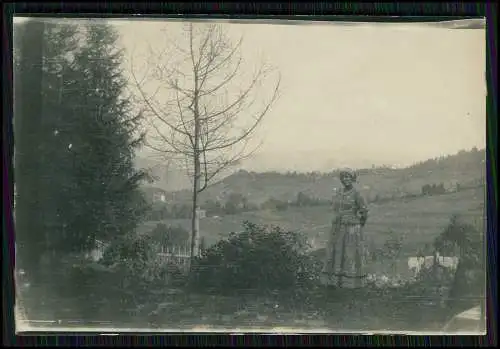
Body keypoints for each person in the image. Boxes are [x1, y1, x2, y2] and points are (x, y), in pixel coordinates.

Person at [322, 168, 369, 289]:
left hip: (352, 228)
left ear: (352, 178)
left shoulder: (357, 193)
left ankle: (352, 283)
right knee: (337, 252)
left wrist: (359, 224)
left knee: (350, 254)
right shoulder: (339, 192)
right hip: (338, 227)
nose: (345, 179)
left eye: (348, 177)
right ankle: (337, 281)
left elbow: (364, 210)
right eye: (343, 177)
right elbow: (336, 208)